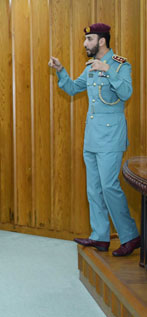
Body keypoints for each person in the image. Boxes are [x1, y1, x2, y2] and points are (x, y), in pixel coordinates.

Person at [49, 23, 140, 256]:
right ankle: (100, 236)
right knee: (94, 189)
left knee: (109, 187)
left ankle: (130, 236)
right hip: (92, 137)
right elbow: (72, 88)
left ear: (101, 41)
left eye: (89, 39)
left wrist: (107, 69)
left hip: (111, 136)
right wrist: (61, 70)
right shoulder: (90, 67)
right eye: (85, 39)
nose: (85, 44)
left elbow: (126, 93)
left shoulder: (120, 64)